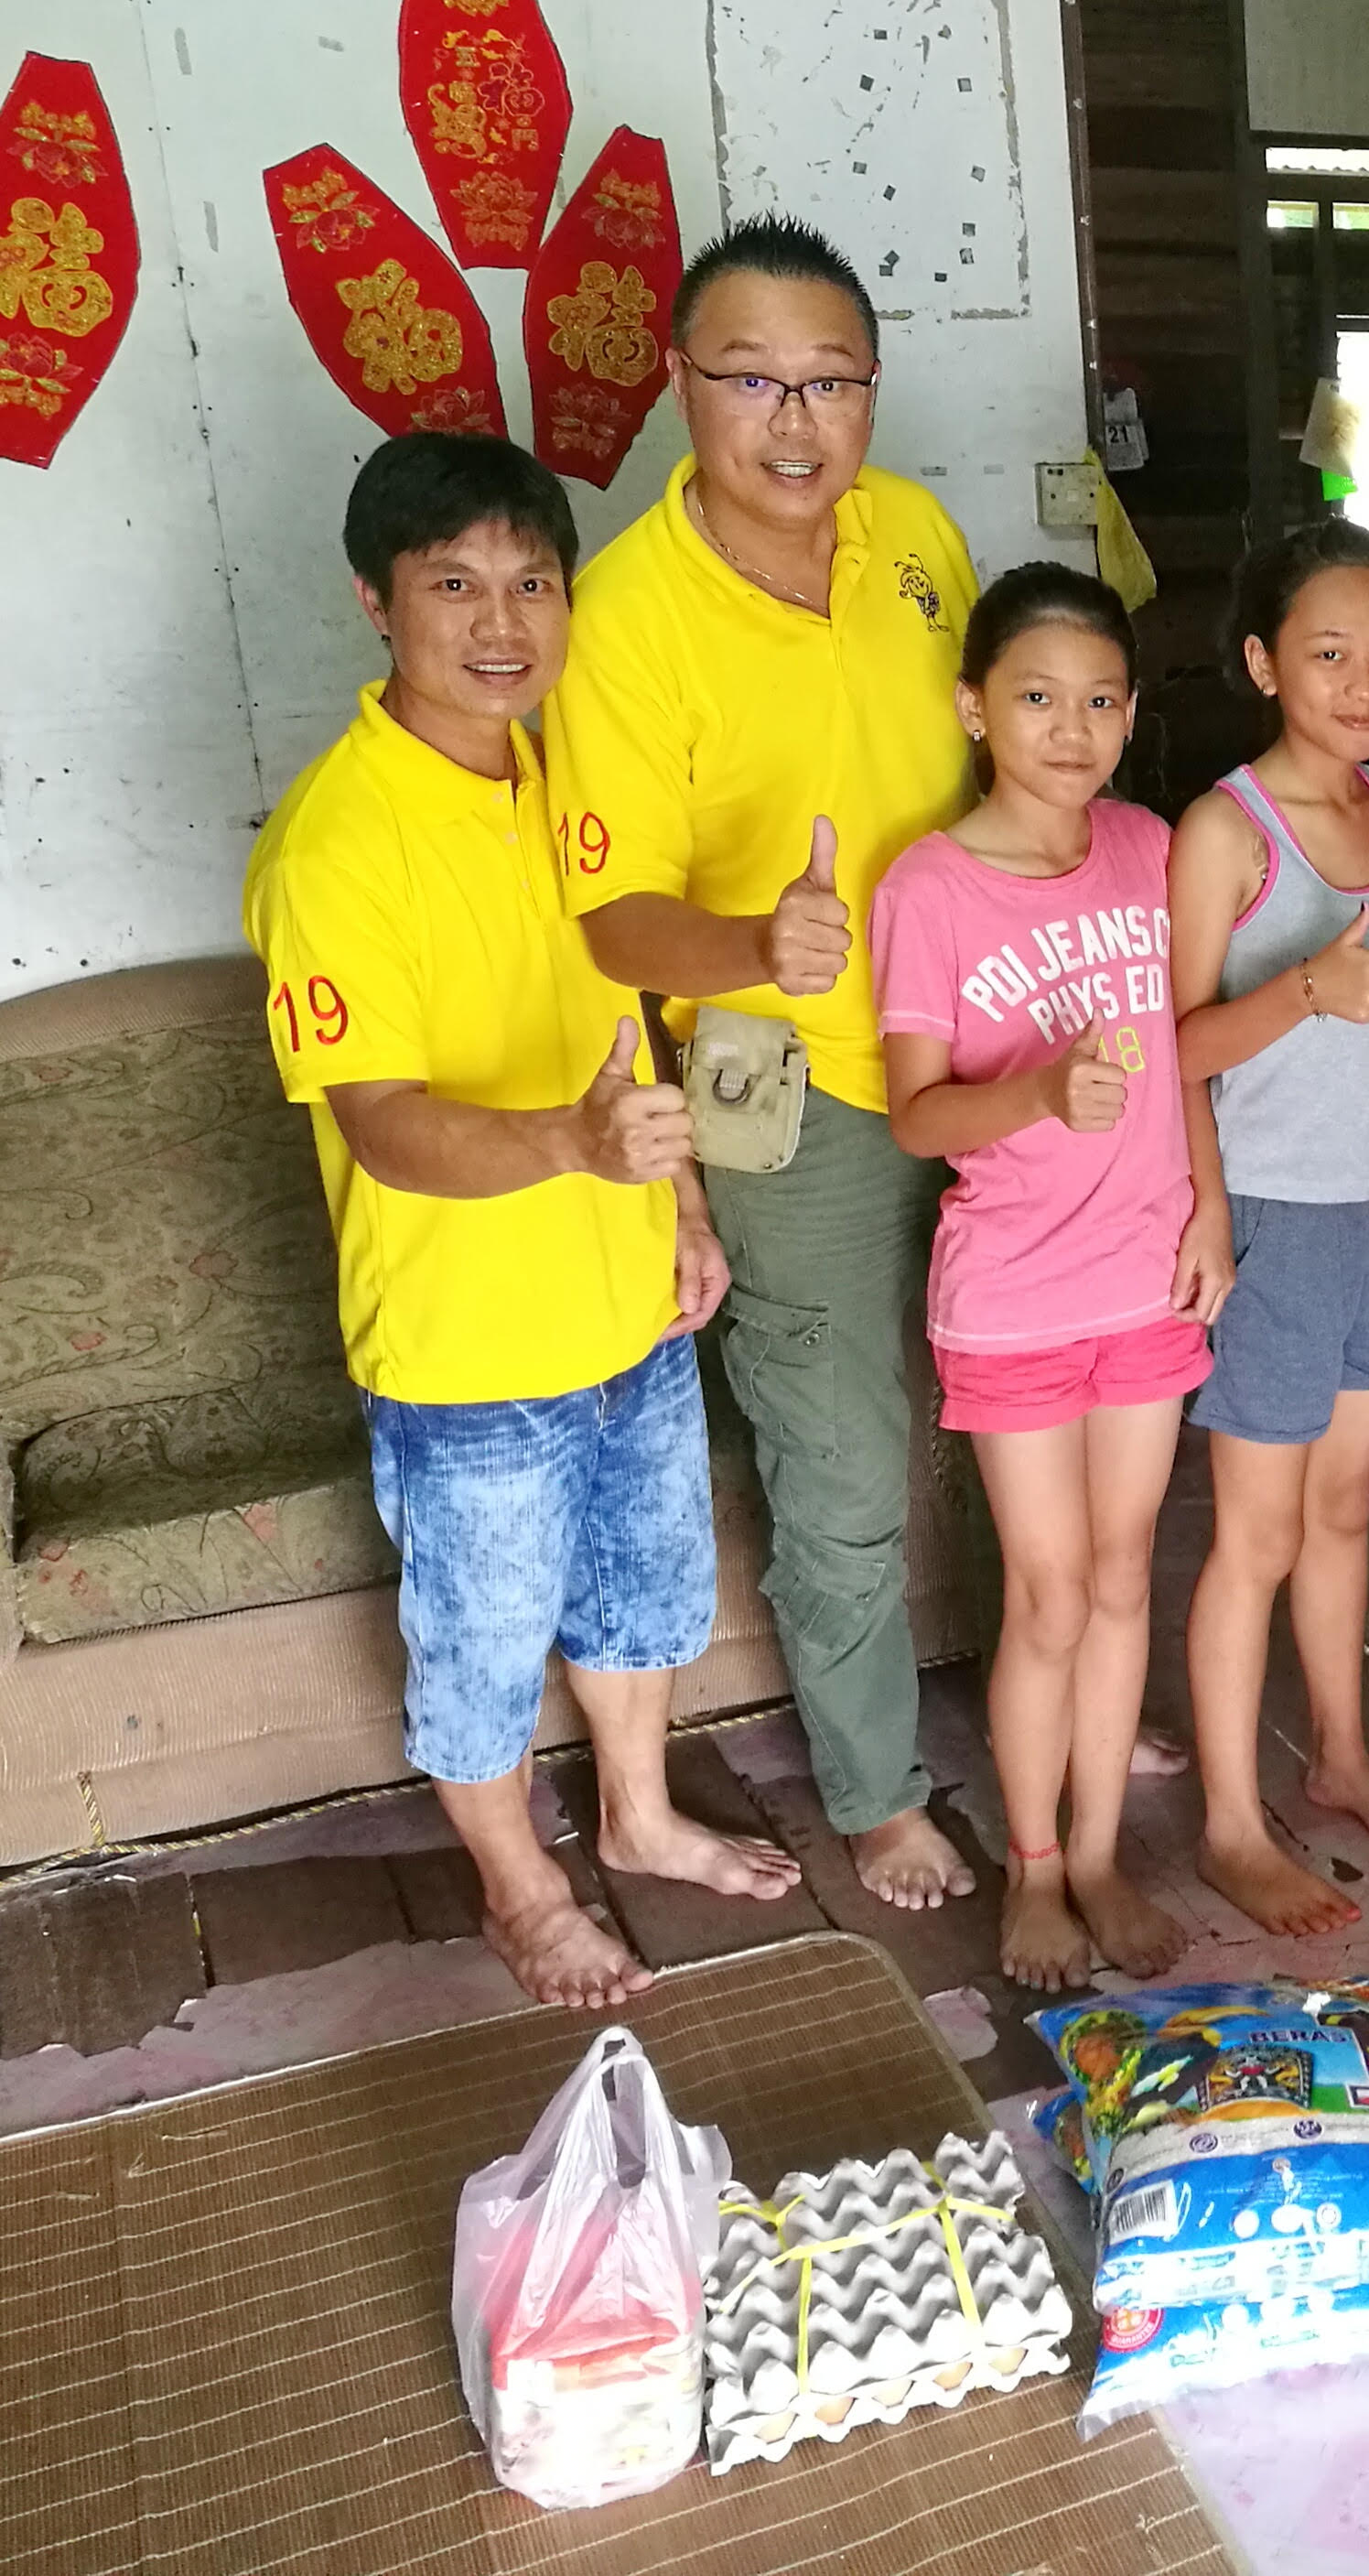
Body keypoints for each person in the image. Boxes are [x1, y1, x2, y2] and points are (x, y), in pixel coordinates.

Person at [243, 431, 802, 2009]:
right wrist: (571, 1141)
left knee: (644, 1587)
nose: (503, 623)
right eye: (455, 585)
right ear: (376, 602)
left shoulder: (566, 779)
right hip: (465, 1344)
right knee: (482, 1641)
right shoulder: (334, 843)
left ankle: (638, 1815)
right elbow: (382, 1124)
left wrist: (679, 1199)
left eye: (532, 582)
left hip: (626, 1298)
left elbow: (619, 1007)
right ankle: (521, 1888)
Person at [547, 216, 979, 1911]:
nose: (795, 422)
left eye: (829, 381)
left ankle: (1060, 1695)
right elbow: (607, 916)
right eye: (751, 381)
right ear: (681, 385)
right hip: (775, 1076)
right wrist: (752, 943)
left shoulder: (916, 535)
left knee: (1032, 1387)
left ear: (871, 386)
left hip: (982, 1033)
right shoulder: (624, 613)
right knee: (842, 1449)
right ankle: (875, 1789)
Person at [870, 564, 1229, 1989]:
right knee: (1049, 1593)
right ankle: (1031, 1867)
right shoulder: (930, 886)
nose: (1070, 729)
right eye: (1036, 697)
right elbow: (915, 1113)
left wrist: (1206, 1206)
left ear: (1131, 713)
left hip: (1146, 1275)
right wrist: (1034, 1092)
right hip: (1015, 1294)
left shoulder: (1149, 848)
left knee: (1127, 1572)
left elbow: (1188, 1047)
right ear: (974, 708)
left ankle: (1095, 1854)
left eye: (1099, 700)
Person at [1167, 518, 1369, 1935]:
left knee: (1345, 1511)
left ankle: (1338, 1754)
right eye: (1329, 653)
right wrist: (1213, 1215)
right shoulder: (1225, 830)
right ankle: (1231, 1821)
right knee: (1257, 1535)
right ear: (1263, 660)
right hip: (1272, 1221)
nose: (1363, 683)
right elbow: (1171, 1048)